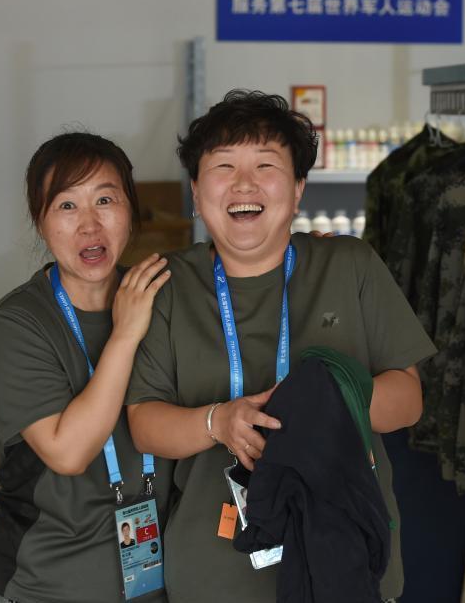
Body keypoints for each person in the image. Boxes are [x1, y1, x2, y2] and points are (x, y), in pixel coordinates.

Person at [126, 90, 437, 601]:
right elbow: (144, 422)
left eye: (266, 165)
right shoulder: (167, 286)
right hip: (215, 573)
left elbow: (408, 399)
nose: (244, 183)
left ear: (297, 191)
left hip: (346, 563)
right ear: (197, 193)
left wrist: (327, 403)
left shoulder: (349, 265)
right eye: (223, 165)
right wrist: (217, 422)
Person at [0, 132, 173, 603]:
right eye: (67, 205)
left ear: (131, 209)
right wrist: (125, 335)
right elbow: (68, 452)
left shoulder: (164, 295)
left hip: (160, 583)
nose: (90, 225)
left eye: (105, 200)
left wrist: (313, 255)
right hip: (47, 584)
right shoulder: (16, 324)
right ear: (40, 221)